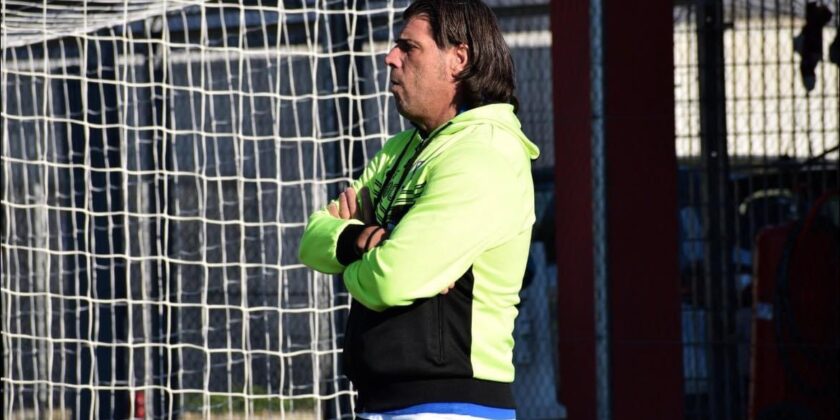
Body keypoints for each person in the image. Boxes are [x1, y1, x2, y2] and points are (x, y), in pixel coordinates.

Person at [299, 0, 539, 418]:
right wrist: (358, 241)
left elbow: (393, 279)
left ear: (458, 60)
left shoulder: (485, 152)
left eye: (409, 47)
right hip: (380, 401)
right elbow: (310, 240)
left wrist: (359, 260)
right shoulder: (399, 150)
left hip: (450, 406)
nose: (391, 57)